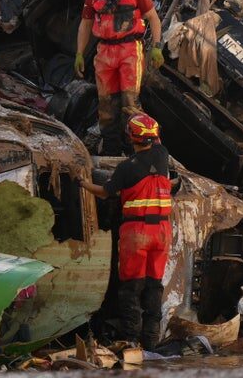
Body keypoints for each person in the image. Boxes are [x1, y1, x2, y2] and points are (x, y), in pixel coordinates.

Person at [74, 113, 173, 349]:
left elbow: (106, 192)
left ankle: (130, 340)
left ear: (131, 138)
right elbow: (155, 139)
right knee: (154, 286)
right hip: (162, 231)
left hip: (137, 232)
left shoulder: (126, 169)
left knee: (131, 288)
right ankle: (150, 343)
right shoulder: (162, 156)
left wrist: (82, 183)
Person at [75, 0, 164, 155]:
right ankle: (111, 151)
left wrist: (157, 47)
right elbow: (85, 23)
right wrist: (79, 53)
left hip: (129, 50)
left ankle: (137, 149)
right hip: (105, 52)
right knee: (106, 104)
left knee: (130, 102)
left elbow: (153, 18)